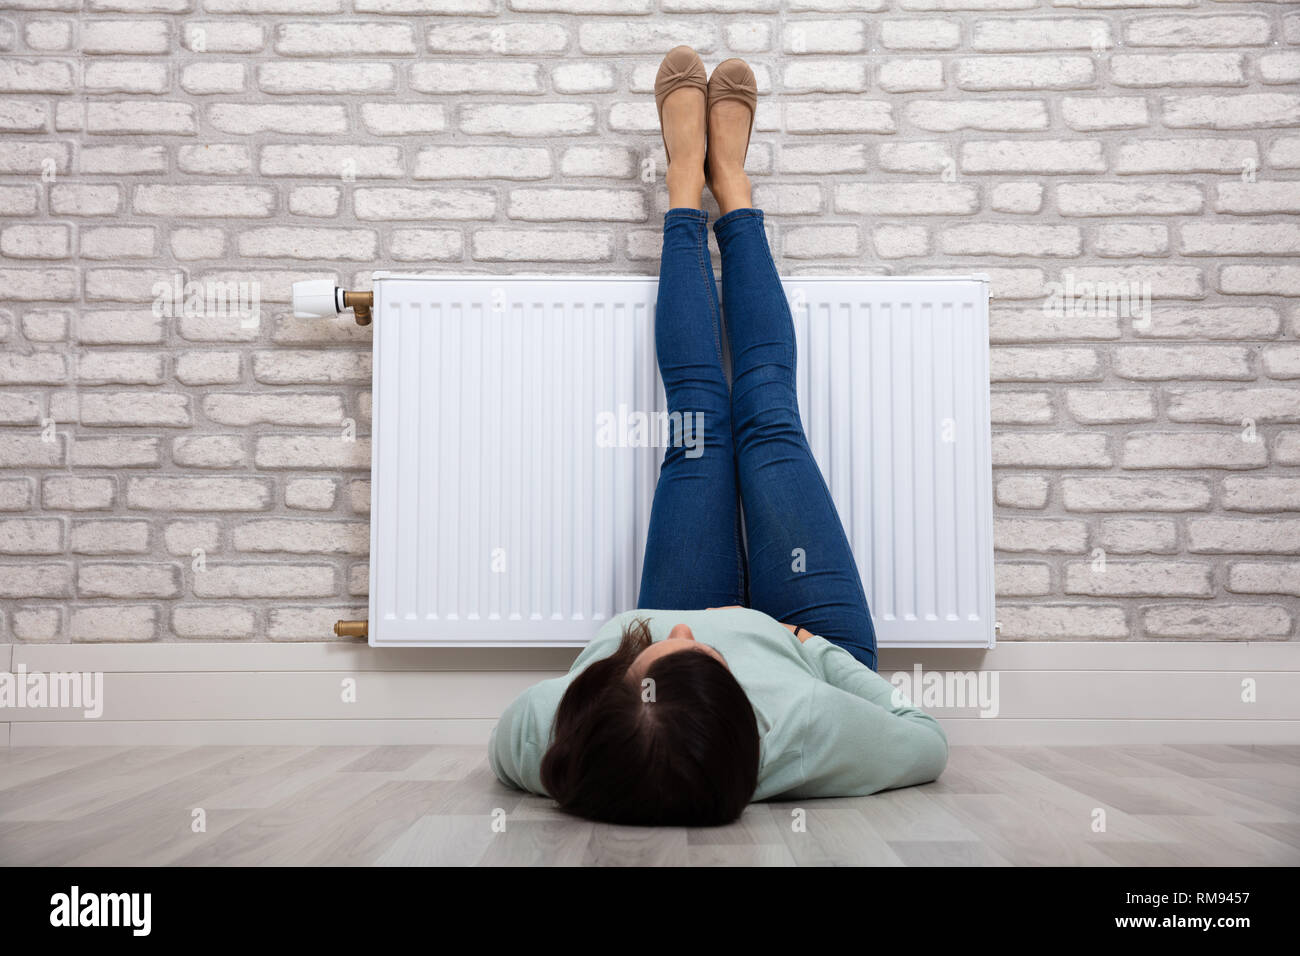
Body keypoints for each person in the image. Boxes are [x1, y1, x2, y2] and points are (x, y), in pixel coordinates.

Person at [489, 47, 948, 826]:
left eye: (649, 652)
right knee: (768, 416)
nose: (677, 628)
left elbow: (512, 733)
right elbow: (925, 738)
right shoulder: (807, 730)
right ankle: (731, 187)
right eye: (692, 648)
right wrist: (816, 658)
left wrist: (621, 669)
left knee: (698, 420)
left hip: (691, 672)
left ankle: (682, 184)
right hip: (811, 650)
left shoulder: (561, 732)